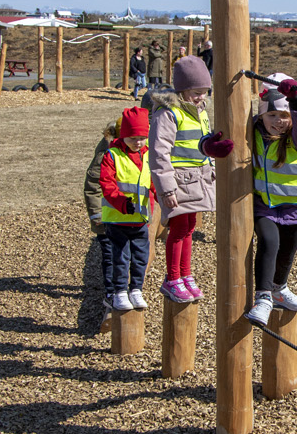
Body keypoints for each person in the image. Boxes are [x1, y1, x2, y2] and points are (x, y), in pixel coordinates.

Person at [148, 56, 231, 302]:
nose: (201, 97)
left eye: (205, 92)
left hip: (197, 180)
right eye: (196, 92)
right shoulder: (169, 114)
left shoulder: (199, 112)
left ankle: (185, 275)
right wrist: (166, 189)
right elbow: (159, 154)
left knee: (189, 228)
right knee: (178, 229)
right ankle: (173, 278)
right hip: (179, 182)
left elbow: (201, 143)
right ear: (182, 90)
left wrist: (212, 157)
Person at [241, 74, 297, 324]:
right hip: (266, 205)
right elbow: (224, 136)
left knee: (288, 250)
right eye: (272, 115)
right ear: (261, 116)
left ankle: (279, 288)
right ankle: (263, 297)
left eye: (284, 116)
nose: (278, 121)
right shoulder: (253, 133)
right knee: (270, 242)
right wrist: (208, 145)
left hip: (296, 207)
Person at [98, 107, 153, 312]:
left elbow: (153, 180)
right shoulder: (112, 155)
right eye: (132, 138)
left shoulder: (148, 155)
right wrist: (122, 203)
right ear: (123, 136)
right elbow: (107, 184)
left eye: (141, 137)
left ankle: (136, 289)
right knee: (120, 256)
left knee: (141, 256)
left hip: (140, 218)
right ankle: (120, 291)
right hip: (117, 218)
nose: (137, 142)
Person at [81, 115, 121, 316]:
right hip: (107, 215)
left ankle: (120, 290)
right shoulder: (107, 149)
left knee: (126, 254)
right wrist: (97, 214)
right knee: (110, 254)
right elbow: (93, 184)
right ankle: (111, 294)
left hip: (125, 214)